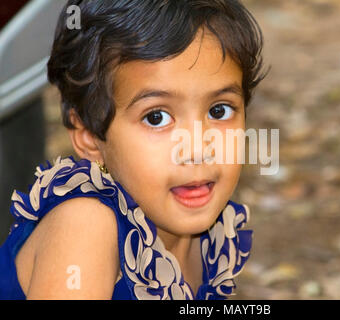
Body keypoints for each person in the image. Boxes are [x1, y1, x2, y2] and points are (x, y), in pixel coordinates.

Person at [0, 0, 267, 300]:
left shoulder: (210, 237)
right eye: (157, 117)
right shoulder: (85, 225)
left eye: (219, 110)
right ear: (89, 136)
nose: (197, 149)